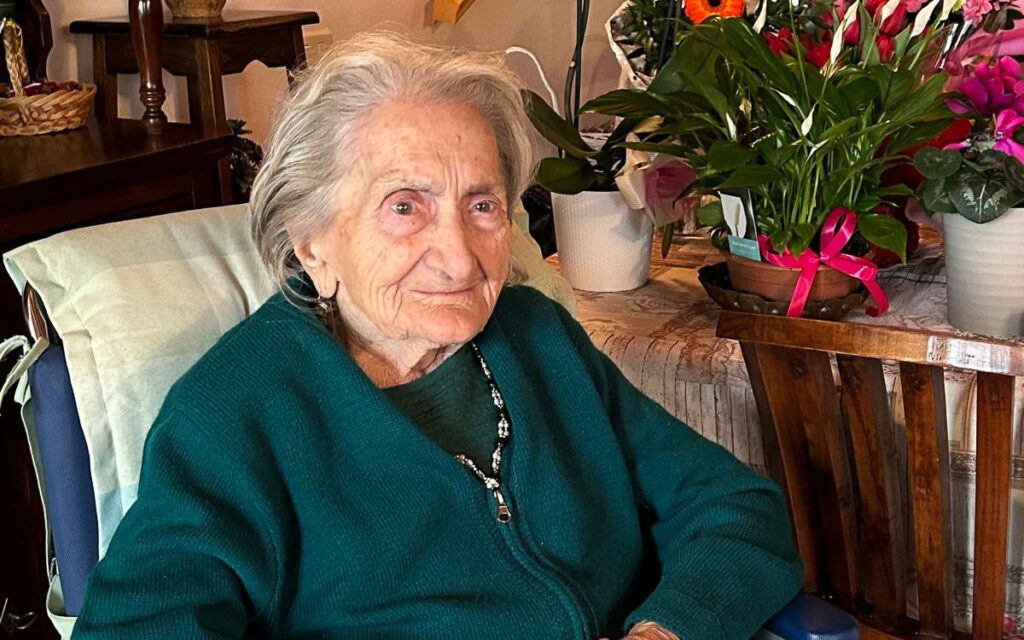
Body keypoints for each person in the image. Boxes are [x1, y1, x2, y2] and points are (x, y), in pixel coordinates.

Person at [72, 32, 803, 640]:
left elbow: (736, 507)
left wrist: (668, 628)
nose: (458, 258)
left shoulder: (538, 339)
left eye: (482, 204)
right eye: (404, 207)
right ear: (311, 240)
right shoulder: (231, 417)